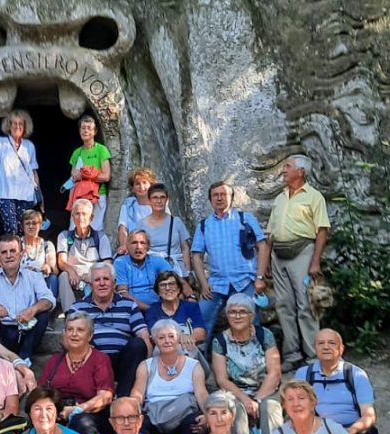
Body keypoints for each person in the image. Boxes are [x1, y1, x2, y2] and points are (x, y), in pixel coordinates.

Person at [266, 155, 330, 369]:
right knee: (283, 305)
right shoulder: (280, 197)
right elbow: (270, 234)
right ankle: (292, 355)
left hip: (303, 252)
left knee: (306, 305)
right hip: (278, 255)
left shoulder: (314, 197)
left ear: (300, 171)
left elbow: (322, 231)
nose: (283, 170)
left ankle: (313, 357)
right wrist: (266, 262)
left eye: (287, 166)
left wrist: (315, 262)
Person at [190, 181, 269, 334]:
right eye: (215, 195)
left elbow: (263, 246)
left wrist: (259, 277)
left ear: (231, 198)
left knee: (252, 323)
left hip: (245, 281)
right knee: (199, 322)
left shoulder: (245, 219)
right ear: (210, 199)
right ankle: (198, 357)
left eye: (223, 194)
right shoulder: (204, 225)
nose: (219, 198)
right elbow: (196, 256)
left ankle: (256, 357)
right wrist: (203, 284)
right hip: (216, 284)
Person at [210, 294, 283, 434]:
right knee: (236, 410)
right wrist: (245, 400)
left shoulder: (264, 335)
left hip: (265, 389)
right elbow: (222, 379)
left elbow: (274, 373)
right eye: (232, 312)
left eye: (243, 312)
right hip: (235, 392)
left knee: (270, 409)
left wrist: (257, 399)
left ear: (252, 316)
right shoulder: (220, 341)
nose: (237, 316)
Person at [67, 262, 151, 396]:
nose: (102, 283)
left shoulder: (129, 305)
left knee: (138, 344)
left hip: (122, 362)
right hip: (92, 361)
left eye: (106, 279)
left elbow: (144, 335)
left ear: (114, 283)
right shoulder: (78, 307)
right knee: (82, 341)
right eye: (97, 280)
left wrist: (149, 366)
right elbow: (66, 338)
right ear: (90, 284)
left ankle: (123, 397)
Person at [0, 234, 56, 363]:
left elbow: (50, 300)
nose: (9, 255)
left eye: (13, 251)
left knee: (42, 313)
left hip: (26, 331)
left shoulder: (34, 277)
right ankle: (1, 357)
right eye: (4, 252)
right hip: (0, 331)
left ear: (21, 254)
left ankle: (25, 358)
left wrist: (32, 310)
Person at [38, 311, 115, 434]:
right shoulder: (54, 360)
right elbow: (40, 392)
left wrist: (78, 409)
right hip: (57, 413)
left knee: (81, 423)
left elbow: (105, 396)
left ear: (90, 335)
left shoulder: (100, 359)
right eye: (70, 329)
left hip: (90, 415)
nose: (74, 334)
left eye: (80, 330)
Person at [131, 319, 209, 434]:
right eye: (161, 337)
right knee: (140, 424)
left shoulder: (193, 365)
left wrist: (208, 414)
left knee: (195, 422)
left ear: (178, 338)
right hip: (154, 417)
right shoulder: (146, 365)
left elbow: (201, 394)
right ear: (154, 340)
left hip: (184, 417)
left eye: (171, 336)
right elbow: (137, 394)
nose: (167, 341)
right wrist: (132, 414)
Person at [56, 198, 112, 311]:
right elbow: (61, 261)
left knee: (102, 277)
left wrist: (93, 273)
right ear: (72, 217)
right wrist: (71, 271)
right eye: (77, 214)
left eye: (84, 214)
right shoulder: (64, 236)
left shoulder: (101, 237)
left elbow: (108, 263)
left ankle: (94, 310)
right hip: (73, 275)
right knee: (63, 276)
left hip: (92, 275)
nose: (80, 218)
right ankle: (71, 313)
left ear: (91, 218)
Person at [146, 270, 206, 358]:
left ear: (178, 289)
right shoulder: (153, 310)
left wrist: (188, 339)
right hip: (163, 350)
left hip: (189, 347)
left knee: (187, 348)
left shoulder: (191, 307)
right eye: (163, 285)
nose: (167, 288)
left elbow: (201, 333)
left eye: (171, 284)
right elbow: (155, 335)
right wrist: (179, 337)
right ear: (158, 292)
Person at [113, 229, 178, 312]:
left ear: (148, 247)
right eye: (134, 243)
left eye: (142, 243)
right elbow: (123, 293)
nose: (138, 247)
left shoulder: (157, 261)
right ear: (127, 246)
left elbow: (175, 282)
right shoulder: (121, 262)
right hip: (132, 310)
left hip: (159, 307)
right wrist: (150, 310)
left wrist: (190, 296)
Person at [67, 115, 112, 231]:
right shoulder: (77, 152)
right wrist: (81, 175)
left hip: (97, 195)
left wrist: (86, 175)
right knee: (75, 228)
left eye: (89, 128)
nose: (85, 131)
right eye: (83, 128)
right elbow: (74, 174)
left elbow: (106, 176)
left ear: (95, 131)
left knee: (95, 229)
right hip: (80, 196)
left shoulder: (101, 150)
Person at [139, 184, 191, 277]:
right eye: (155, 197)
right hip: (153, 270)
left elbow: (185, 248)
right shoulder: (141, 225)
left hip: (176, 270)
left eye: (162, 197)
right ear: (149, 200)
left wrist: (187, 271)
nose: (159, 201)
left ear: (167, 200)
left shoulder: (176, 222)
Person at [115, 168, 157, 253]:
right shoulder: (128, 206)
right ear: (133, 188)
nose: (141, 187)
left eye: (145, 183)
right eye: (137, 184)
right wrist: (123, 245)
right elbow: (122, 228)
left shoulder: (158, 205)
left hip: (156, 248)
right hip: (134, 248)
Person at [19, 207, 58, 298]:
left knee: (53, 279)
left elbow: (55, 270)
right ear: (22, 226)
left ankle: (48, 306)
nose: (31, 226)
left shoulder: (47, 245)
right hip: (20, 282)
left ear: (40, 225)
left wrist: (49, 267)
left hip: (40, 283)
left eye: (34, 223)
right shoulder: (16, 244)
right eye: (27, 223)